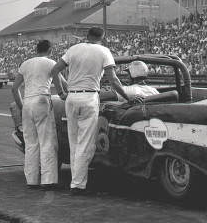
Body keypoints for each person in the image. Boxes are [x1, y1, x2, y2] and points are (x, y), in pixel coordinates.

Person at [52, 27, 142, 195]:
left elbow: (54, 70)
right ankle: (77, 185)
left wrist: (60, 92)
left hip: (71, 97)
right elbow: (113, 80)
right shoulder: (103, 51)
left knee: (74, 142)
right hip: (89, 97)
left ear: (87, 36)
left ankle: (75, 180)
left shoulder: (74, 49)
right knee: (85, 144)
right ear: (102, 37)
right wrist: (127, 97)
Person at [12, 40, 66, 189]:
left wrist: (21, 106)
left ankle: (32, 180)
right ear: (50, 50)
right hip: (42, 99)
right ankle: (48, 180)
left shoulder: (25, 64)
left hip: (27, 102)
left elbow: (14, 88)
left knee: (31, 144)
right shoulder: (50, 63)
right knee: (47, 142)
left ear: (36, 50)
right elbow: (64, 83)